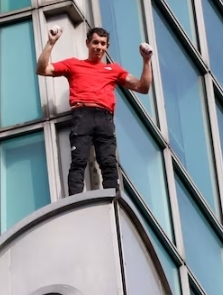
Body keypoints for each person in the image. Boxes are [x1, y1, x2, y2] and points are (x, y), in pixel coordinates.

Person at [35, 26, 153, 194]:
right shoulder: (73, 64)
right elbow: (42, 69)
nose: (99, 47)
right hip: (82, 115)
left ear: (107, 46)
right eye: (95, 42)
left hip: (105, 117)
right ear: (87, 43)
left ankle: (112, 204)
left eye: (103, 44)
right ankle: (75, 202)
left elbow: (143, 87)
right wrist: (51, 42)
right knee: (79, 160)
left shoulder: (114, 70)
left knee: (109, 162)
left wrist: (146, 60)